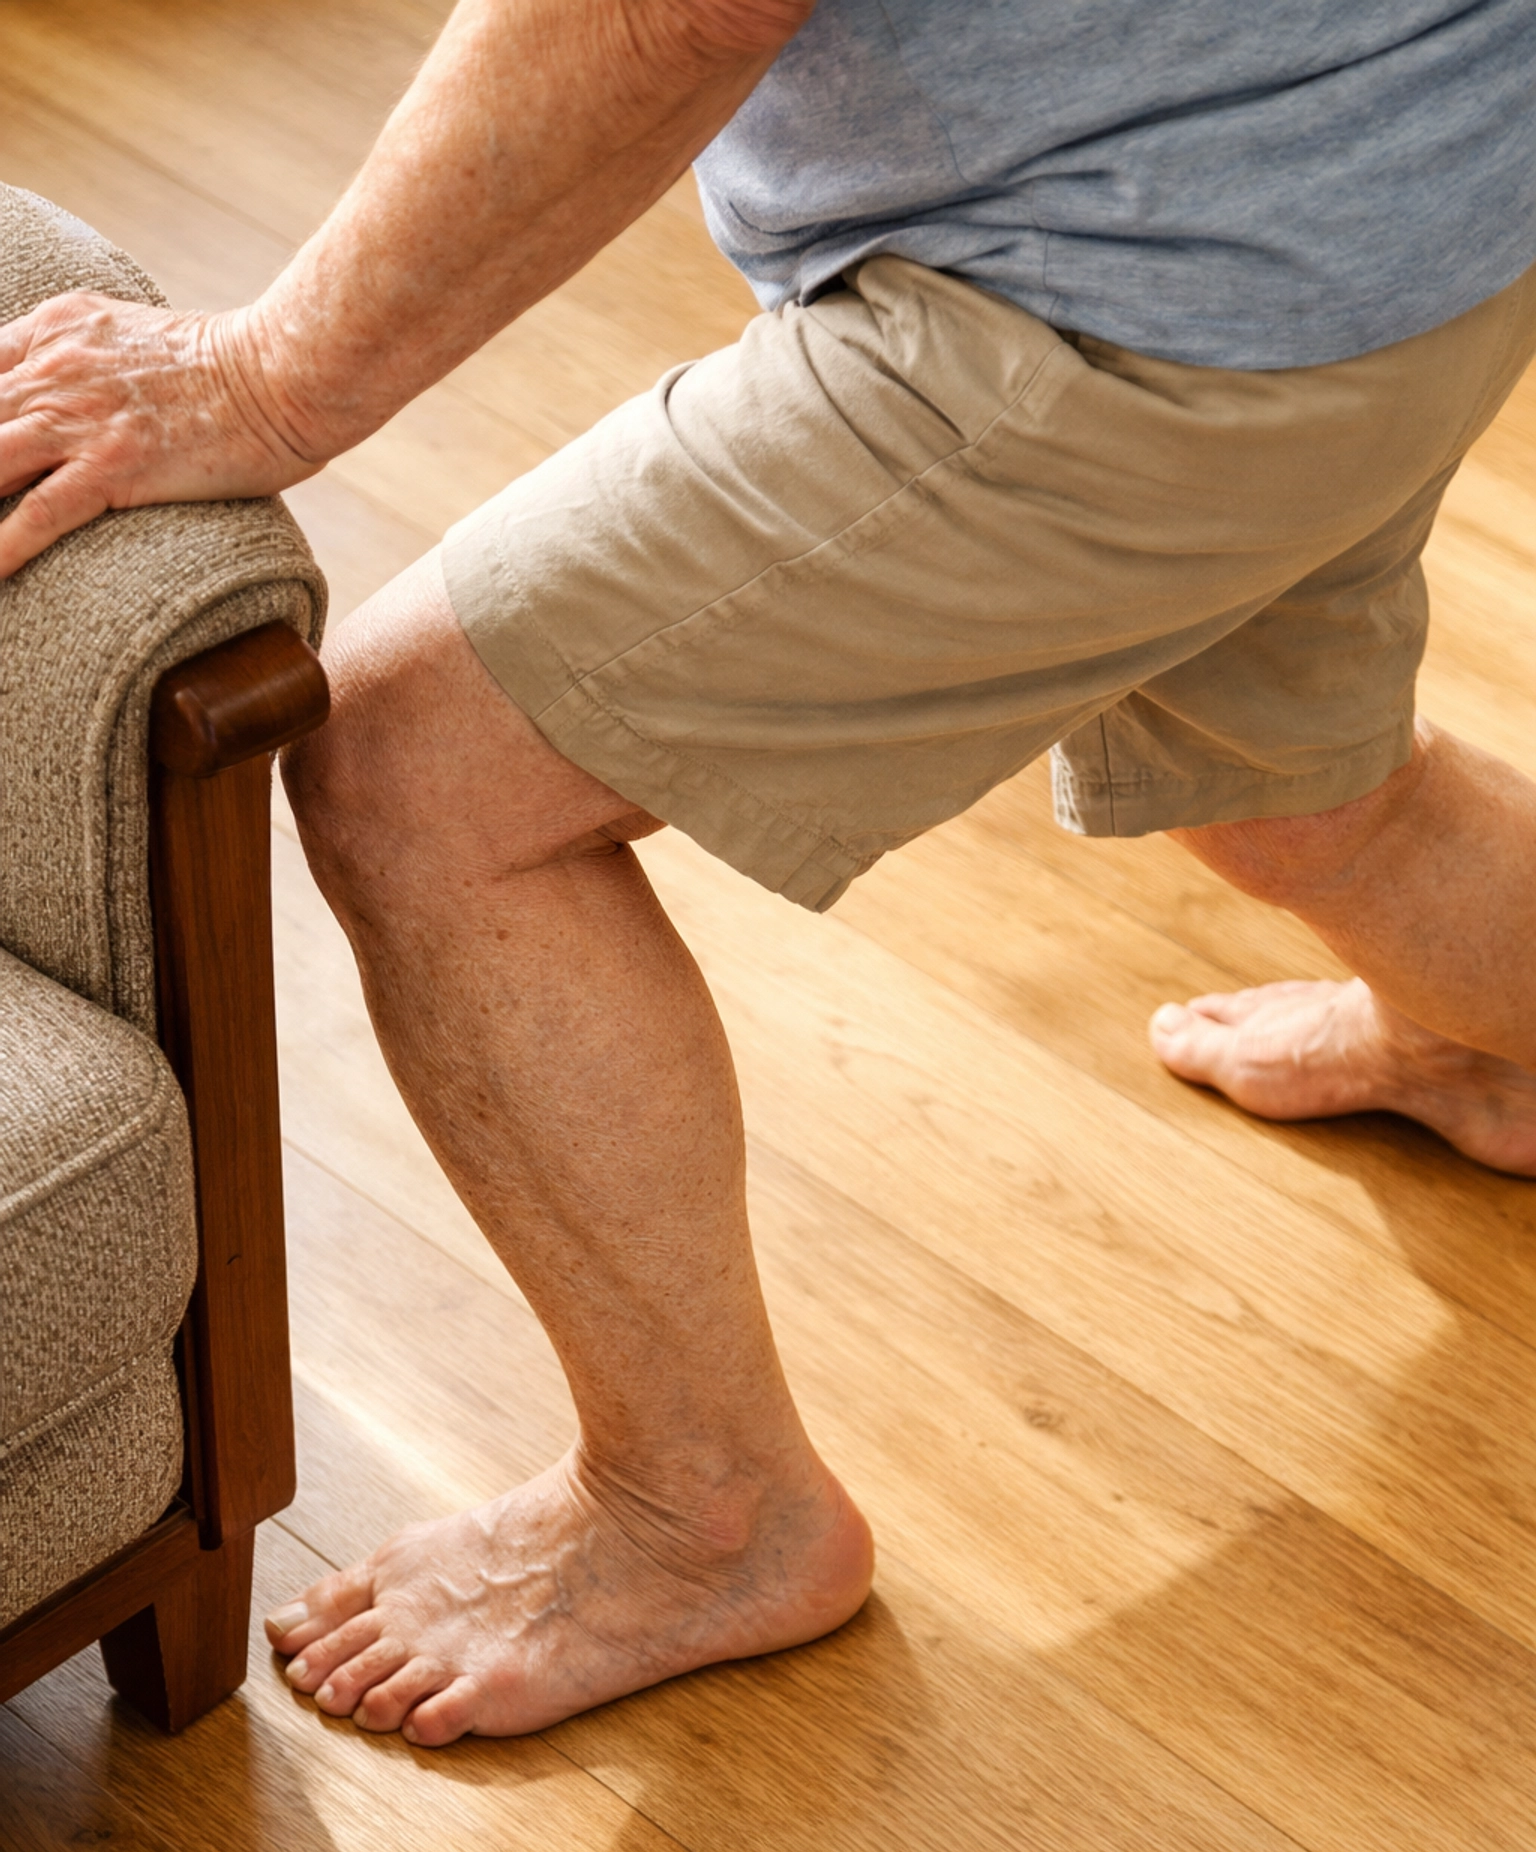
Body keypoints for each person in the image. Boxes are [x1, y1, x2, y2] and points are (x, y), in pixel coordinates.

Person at [4, 0, 1535, 1745]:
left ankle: (701, 1518)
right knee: (1304, 802)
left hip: (1145, 278)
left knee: (422, 777)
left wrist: (267, 375)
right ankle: (1495, 1043)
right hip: (1416, 192)